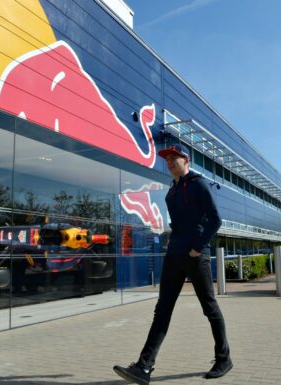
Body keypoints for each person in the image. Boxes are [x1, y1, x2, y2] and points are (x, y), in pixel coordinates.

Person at [113, 143, 232, 384]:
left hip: (195, 256)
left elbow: (215, 220)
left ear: (186, 160)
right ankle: (144, 366)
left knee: (209, 306)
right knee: (162, 309)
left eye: (174, 158)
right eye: (166, 159)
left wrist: (197, 247)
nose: (169, 162)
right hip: (174, 255)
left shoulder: (198, 184)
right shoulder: (172, 190)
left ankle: (224, 359)